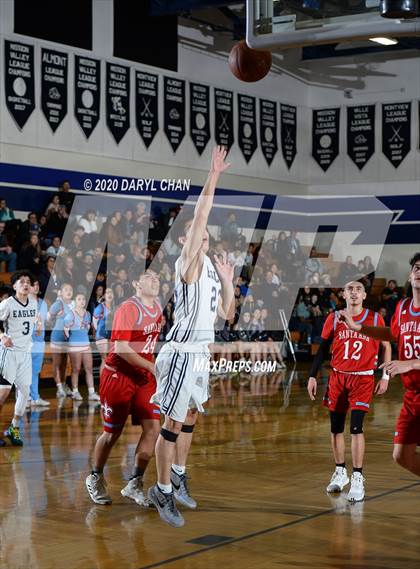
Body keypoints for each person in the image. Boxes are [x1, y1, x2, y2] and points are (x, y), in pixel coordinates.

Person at [147, 146, 234, 527]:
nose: (195, 234)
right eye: (190, 233)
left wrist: (230, 282)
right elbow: (201, 213)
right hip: (181, 352)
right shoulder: (188, 263)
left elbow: (227, 313)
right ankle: (161, 491)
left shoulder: (213, 273)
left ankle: (178, 475)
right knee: (172, 421)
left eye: (199, 234)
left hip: (200, 353)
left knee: (191, 414)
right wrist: (213, 175)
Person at [307, 281, 391, 502]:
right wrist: (312, 376)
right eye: (350, 289)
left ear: (364, 296)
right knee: (335, 428)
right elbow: (323, 348)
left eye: (358, 290)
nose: (354, 292)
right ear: (343, 294)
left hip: (362, 379)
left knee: (356, 428)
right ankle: (340, 471)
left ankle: (357, 477)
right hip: (338, 378)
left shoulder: (374, 318)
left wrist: (385, 376)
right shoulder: (334, 318)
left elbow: (386, 346)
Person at [85, 269, 162, 507]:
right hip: (119, 375)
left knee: (153, 429)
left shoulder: (158, 308)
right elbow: (120, 349)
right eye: (149, 277)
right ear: (136, 283)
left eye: (158, 277)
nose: (155, 280)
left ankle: (135, 482)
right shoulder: (129, 308)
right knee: (112, 433)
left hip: (143, 376)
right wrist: (152, 366)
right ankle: (95, 476)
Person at [340, 254, 420, 478]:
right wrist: (358, 328)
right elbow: (392, 334)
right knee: (401, 455)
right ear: (410, 274)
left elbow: (408, 361)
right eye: (416, 267)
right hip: (412, 396)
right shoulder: (403, 307)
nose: (419, 272)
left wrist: (410, 364)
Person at [0, 271, 39, 446]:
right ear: (14, 286)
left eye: (28, 281)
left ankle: (13, 427)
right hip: (8, 353)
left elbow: (31, 323)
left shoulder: (33, 303)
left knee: (24, 393)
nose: (25, 284)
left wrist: (36, 326)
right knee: (3, 394)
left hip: (25, 354)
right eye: (21, 281)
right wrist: (2, 337)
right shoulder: (7, 304)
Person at [63, 293, 100, 401]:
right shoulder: (70, 314)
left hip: (86, 345)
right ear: (75, 301)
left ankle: (92, 393)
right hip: (74, 345)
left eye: (84, 299)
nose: (82, 301)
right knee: (76, 369)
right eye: (79, 299)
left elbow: (88, 327)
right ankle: (75, 391)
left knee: (89, 369)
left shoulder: (87, 313)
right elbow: (65, 331)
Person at [47, 283, 73, 398]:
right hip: (57, 337)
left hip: (68, 338)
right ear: (61, 293)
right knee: (57, 363)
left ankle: (63, 384)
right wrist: (57, 319)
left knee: (64, 363)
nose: (69, 291)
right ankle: (59, 388)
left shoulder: (74, 304)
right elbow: (48, 320)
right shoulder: (58, 304)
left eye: (70, 289)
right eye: (66, 289)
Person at [28, 280, 49, 407]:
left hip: (39, 341)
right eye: (33, 285)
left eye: (37, 284)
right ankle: (24, 399)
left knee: (35, 371)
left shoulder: (43, 303)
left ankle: (35, 397)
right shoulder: (23, 303)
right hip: (26, 342)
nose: (35, 287)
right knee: (23, 372)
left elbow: (46, 321)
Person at [92, 288, 114, 374]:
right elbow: (94, 322)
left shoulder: (114, 307)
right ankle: (102, 384)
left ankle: (109, 384)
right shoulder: (100, 307)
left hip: (111, 335)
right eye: (107, 292)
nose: (109, 294)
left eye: (111, 292)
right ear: (104, 295)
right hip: (101, 335)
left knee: (111, 360)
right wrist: (98, 332)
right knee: (105, 359)